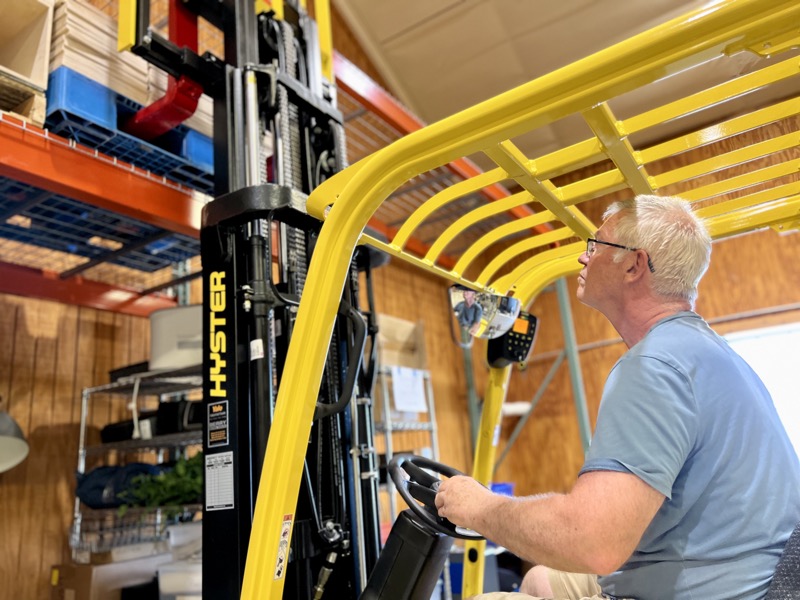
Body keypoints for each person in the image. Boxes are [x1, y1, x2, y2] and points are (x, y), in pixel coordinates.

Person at [435, 194, 800, 600]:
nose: (582, 258)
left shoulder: (654, 366)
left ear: (633, 264)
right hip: (736, 573)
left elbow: (593, 542)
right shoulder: (711, 353)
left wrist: (480, 509)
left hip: (711, 590)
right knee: (539, 578)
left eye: (595, 245)